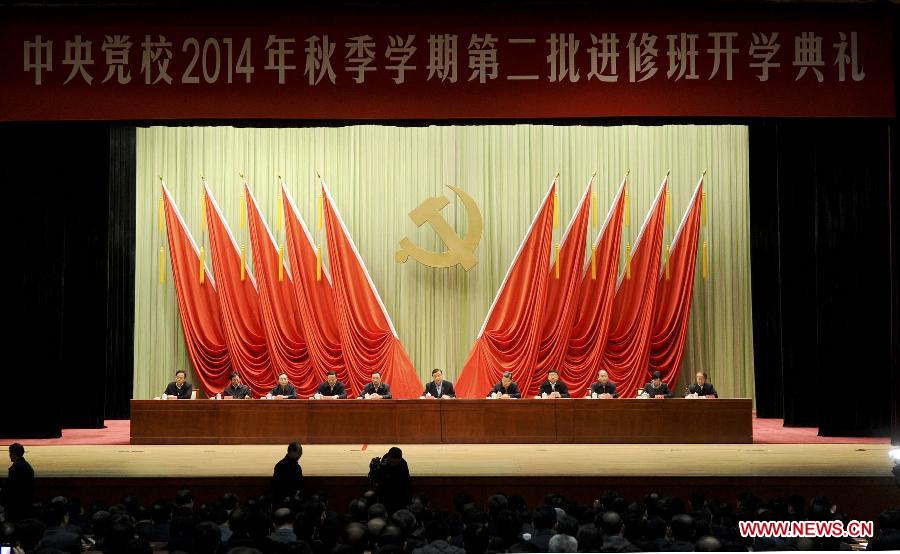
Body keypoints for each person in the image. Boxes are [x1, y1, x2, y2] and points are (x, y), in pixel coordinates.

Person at [372, 447, 411, 513]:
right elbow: (376, 480)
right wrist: (375, 470)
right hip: (385, 496)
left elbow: (405, 484)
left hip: (398, 496)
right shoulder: (384, 463)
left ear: (400, 459)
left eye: (394, 462)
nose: (392, 464)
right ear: (389, 458)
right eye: (391, 462)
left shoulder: (403, 465)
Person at [3, 443, 34, 521]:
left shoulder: (14, 468)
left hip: (16, 507)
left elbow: (11, 489)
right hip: (26, 504)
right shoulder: (28, 466)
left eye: (10, 453)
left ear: (13, 453)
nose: (9, 455)